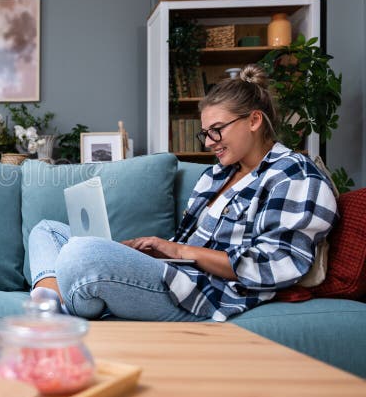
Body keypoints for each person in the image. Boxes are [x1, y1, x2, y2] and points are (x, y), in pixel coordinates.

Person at [28, 65, 338, 322]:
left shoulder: (292, 174)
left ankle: (61, 303)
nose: (209, 142)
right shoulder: (217, 175)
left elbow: (276, 264)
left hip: (207, 294)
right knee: (47, 230)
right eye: (205, 133)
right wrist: (155, 252)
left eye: (217, 129)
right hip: (178, 274)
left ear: (254, 120)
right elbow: (186, 249)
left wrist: (178, 252)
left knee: (81, 255)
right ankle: (53, 307)